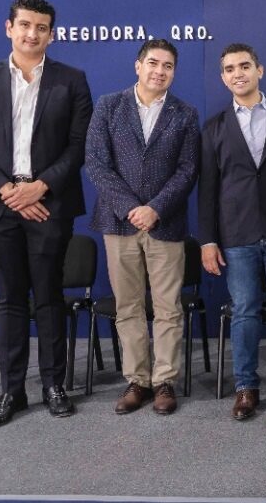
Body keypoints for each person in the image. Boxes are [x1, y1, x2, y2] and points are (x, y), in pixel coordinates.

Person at [0, 0, 93, 427]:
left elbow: (79, 146)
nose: (32, 33)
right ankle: (11, 391)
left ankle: (54, 386)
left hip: (49, 206)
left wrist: (39, 187)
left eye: (41, 27)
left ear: (52, 34)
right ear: (9, 28)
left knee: (49, 297)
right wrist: (7, 190)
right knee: (11, 299)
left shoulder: (72, 80)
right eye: (25, 25)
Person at [85, 39, 199, 416]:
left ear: (174, 72)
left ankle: (164, 381)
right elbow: (97, 164)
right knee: (128, 306)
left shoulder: (185, 114)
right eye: (153, 63)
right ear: (138, 66)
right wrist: (132, 208)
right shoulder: (108, 106)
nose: (159, 71)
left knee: (168, 308)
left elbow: (187, 170)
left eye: (167, 66)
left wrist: (155, 209)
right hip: (119, 223)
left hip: (165, 224)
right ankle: (137, 380)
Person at [198, 43, 266, 421]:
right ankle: (246, 388)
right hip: (237, 234)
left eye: (244, 66)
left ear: (260, 70)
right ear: (223, 77)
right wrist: (208, 240)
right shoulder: (213, 128)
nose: (237, 74)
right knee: (244, 311)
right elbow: (207, 189)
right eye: (229, 69)